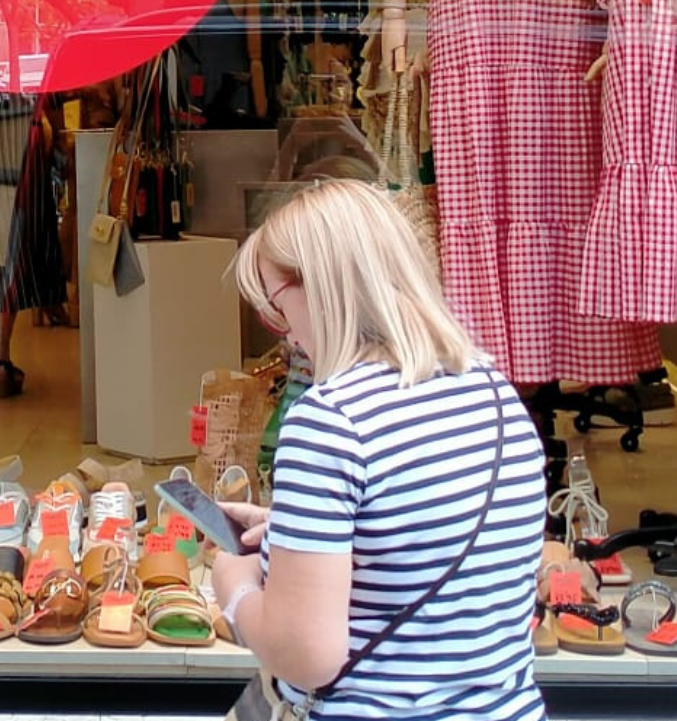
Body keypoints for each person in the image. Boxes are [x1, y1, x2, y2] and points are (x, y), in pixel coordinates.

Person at [211, 179, 547, 721]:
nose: (285, 335)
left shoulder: (330, 420)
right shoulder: (492, 391)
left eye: (276, 309)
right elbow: (430, 547)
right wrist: (297, 531)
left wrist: (236, 587)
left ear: (319, 288)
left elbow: (306, 655)